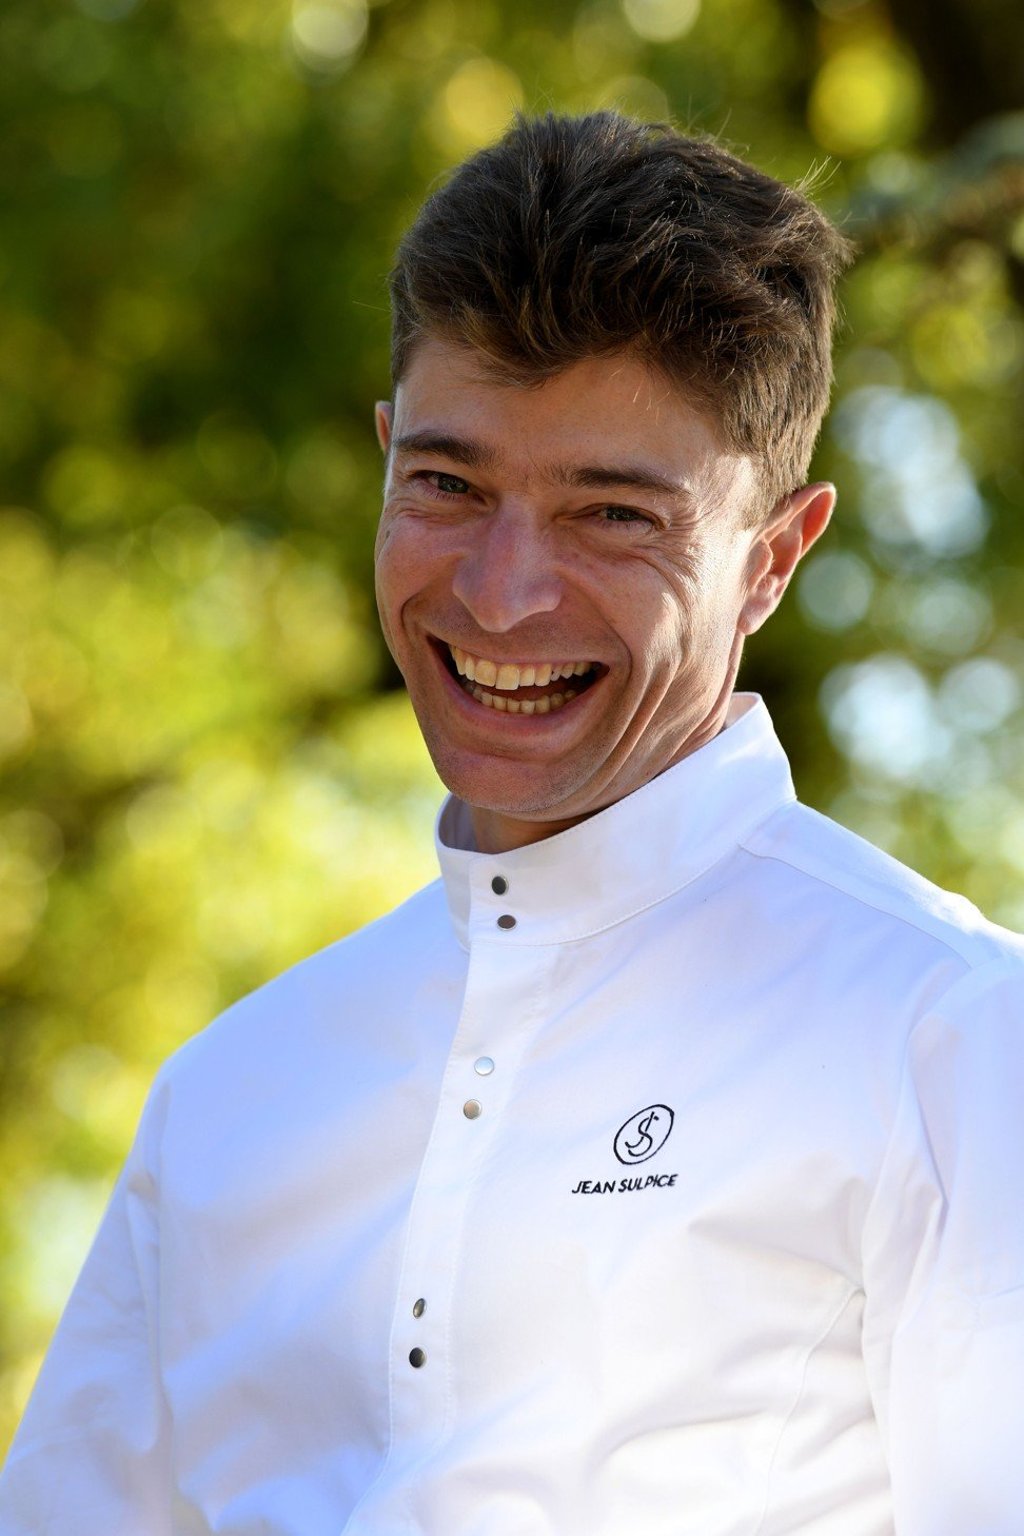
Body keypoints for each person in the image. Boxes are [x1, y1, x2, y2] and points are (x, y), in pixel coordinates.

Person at [2, 109, 1023, 1536]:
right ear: (382, 461)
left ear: (773, 560)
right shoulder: (227, 1099)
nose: (499, 593)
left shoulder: (953, 1038)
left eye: (612, 515)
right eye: (447, 484)